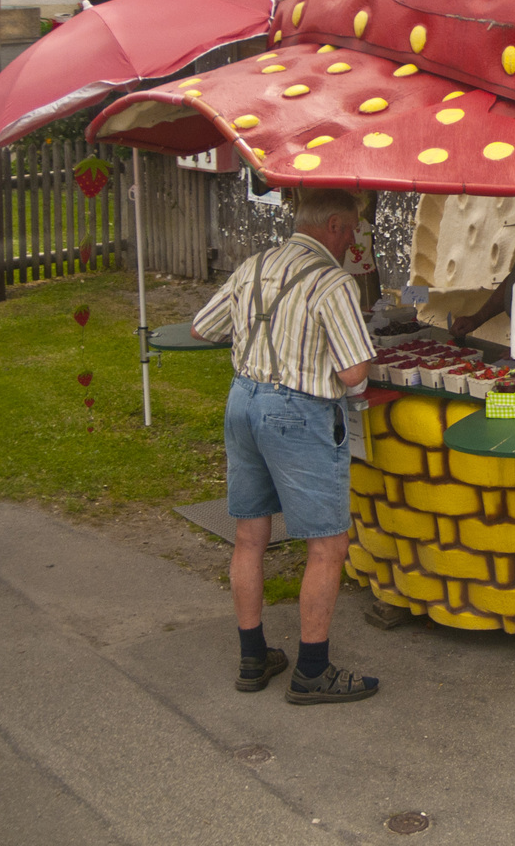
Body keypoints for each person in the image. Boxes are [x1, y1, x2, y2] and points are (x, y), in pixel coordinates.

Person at [190, 187, 380, 704]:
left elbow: (203, 327)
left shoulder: (254, 265)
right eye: (353, 231)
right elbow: (355, 372)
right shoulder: (331, 281)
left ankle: (253, 658)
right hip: (296, 412)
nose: (352, 242)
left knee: (250, 536)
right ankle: (312, 669)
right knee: (327, 544)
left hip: (243, 401)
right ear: (337, 226)